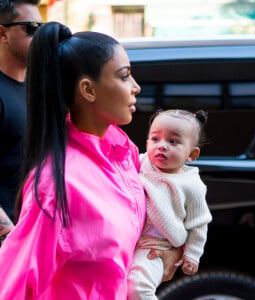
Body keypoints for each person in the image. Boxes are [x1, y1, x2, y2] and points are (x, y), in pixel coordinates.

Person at [0, 21, 182, 299]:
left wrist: (166, 251)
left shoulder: (124, 152)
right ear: (88, 90)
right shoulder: (57, 184)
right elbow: (14, 286)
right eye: (124, 76)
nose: (136, 87)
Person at [128, 109, 213, 300]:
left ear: (192, 154)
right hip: (130, 240)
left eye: (173, 141)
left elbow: (199, 224)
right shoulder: (141, 162)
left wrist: (192, 254)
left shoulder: (192, 185)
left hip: (156, 247)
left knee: (137, 288)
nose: (162, 146)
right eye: (155, 139)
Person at [0, 0, 42, 234]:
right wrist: (9, 237)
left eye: (41, 28)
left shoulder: (38, 87)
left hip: (36, 236)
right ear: (2, 33)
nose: (39, 36)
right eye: (30, 28)